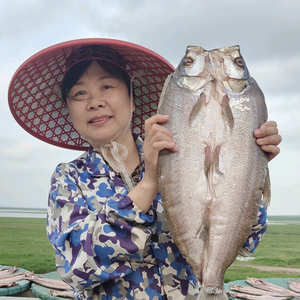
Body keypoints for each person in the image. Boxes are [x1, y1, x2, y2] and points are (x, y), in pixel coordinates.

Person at [8, 39, 281, 300]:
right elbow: (76, 268)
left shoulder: (181, 156)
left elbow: (248, 242)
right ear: (69, 110)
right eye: (80, 93)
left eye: (107, 87)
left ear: (132, 99)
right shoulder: (69, 179)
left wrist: (246, 166)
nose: (94, 101)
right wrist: (150, 181)